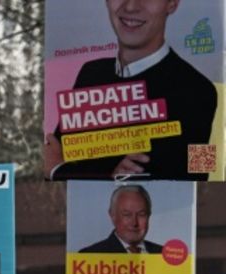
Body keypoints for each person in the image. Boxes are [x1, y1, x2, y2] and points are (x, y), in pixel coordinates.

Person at [46, 0, 218, 180]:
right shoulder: (91, 73)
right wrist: (109, 174)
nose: (130, 7)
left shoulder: (201, 91)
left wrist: (59, 170)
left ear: (172, 4)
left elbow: (197, 176)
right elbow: (53, 150)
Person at [79, 185, 164, 254]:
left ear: (149, 215)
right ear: (112, 215)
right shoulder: (90, 255)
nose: (134, 223)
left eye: (141, 214)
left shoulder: (163, 254)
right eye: (127, 215)